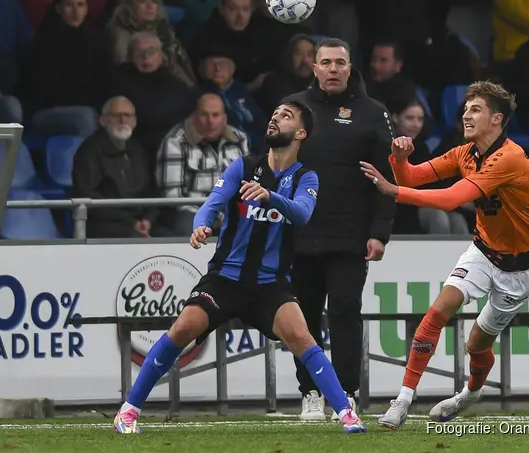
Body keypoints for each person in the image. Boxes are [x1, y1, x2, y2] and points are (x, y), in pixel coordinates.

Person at [112, 99, 367, 435]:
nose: (275, 117)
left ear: (301, 133)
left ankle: (348, 414)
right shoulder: (243, 167)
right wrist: (201, 226)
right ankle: (128, 412)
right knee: (182, 329)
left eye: (286, 116)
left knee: (302, 336)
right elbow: (210, 205)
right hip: (226, 278)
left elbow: (303, 214)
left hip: (270, 284)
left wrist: (270, 197)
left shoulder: (306, 176)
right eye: (274, 112)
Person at [359, 81, 529, 428]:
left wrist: (393, 190)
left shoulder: (510, 158)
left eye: (476, 109)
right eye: (465, 108)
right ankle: (402, 400)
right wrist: (399, 160)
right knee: (438, 311)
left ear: (497, 119)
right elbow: (413, 177)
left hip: (521, 267)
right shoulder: (464, 153)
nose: (466, 114)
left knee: (476, 343)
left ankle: (471, 392)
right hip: (484, 250)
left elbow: (449, 200)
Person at [286, 38, 396, 421]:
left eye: (340, 63)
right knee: (303, 318)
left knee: (346, 311)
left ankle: (345, 394)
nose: (333, 69)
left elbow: (387, 178)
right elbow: (272, 164)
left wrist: (379, 232)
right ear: (313, 68)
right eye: (326, 62)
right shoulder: (294, 108)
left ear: (351, 68)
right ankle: (311, 393)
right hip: (300, 234)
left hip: (350, 236)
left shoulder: (373, 112)